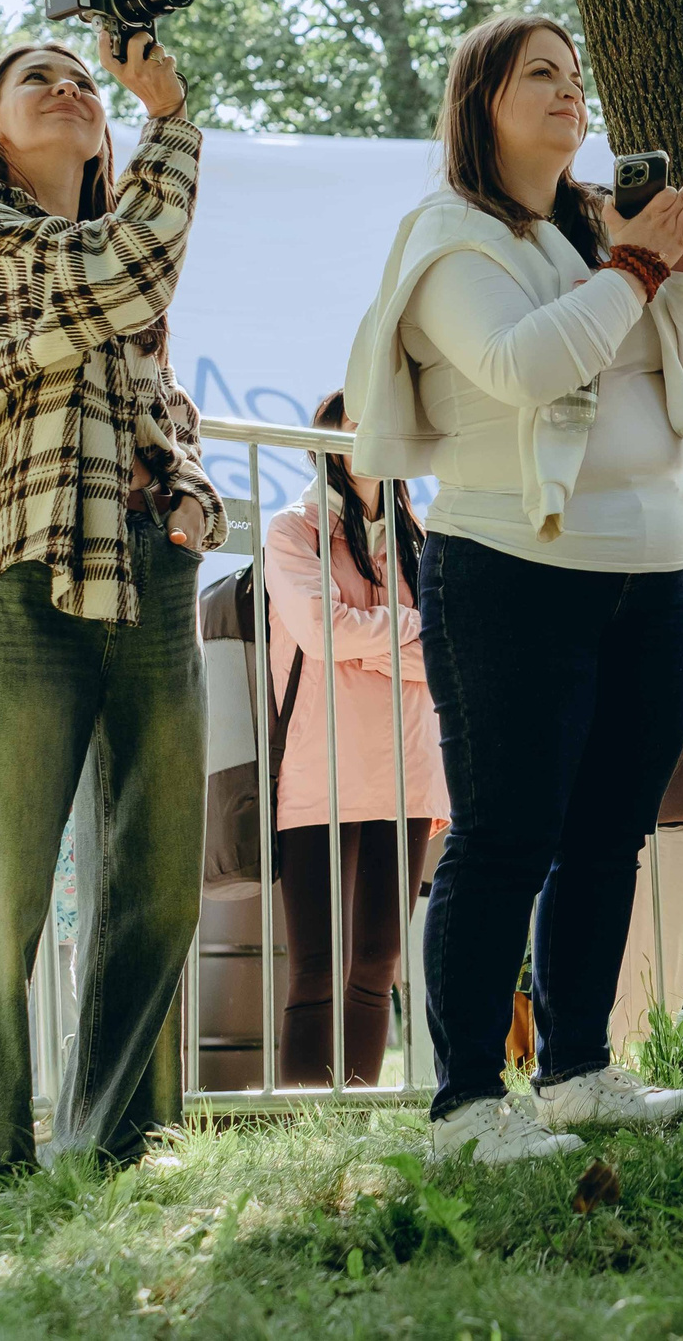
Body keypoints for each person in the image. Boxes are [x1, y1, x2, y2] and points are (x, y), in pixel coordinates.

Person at [347, 14, 683, 1164]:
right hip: (514, 567)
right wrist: (637, 264)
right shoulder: (448, 236)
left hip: (659, 568)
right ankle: (467, 1107)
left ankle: (578, 1074)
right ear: (482, 103)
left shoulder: (595, 231)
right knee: (506, 835)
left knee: (608, 834)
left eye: (576, 78)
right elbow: (525, 367)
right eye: (540, 76)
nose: (571, 94)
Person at [0, 30, 222, 1195]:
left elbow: (162, 408)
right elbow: (127, 266)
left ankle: (122, 1146)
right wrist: (172, 119)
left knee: (160, 877)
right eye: (35, 79)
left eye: (82, 79)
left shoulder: (114, 262)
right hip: (25, 568)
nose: (70, 89)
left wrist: (189, 496)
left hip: (148, 565)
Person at [265, 390, 447, 1088]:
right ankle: (304, 1129)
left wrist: (362, 640)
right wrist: (401, 635)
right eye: (353, 415)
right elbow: (319, 628)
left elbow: (447, 643)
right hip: (318, 772)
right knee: (318, 964)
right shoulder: (292, 530)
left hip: (404, 770)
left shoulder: (422, 539)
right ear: (328, 438)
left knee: (376, 963)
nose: (371, 424)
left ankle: (356, 1121)